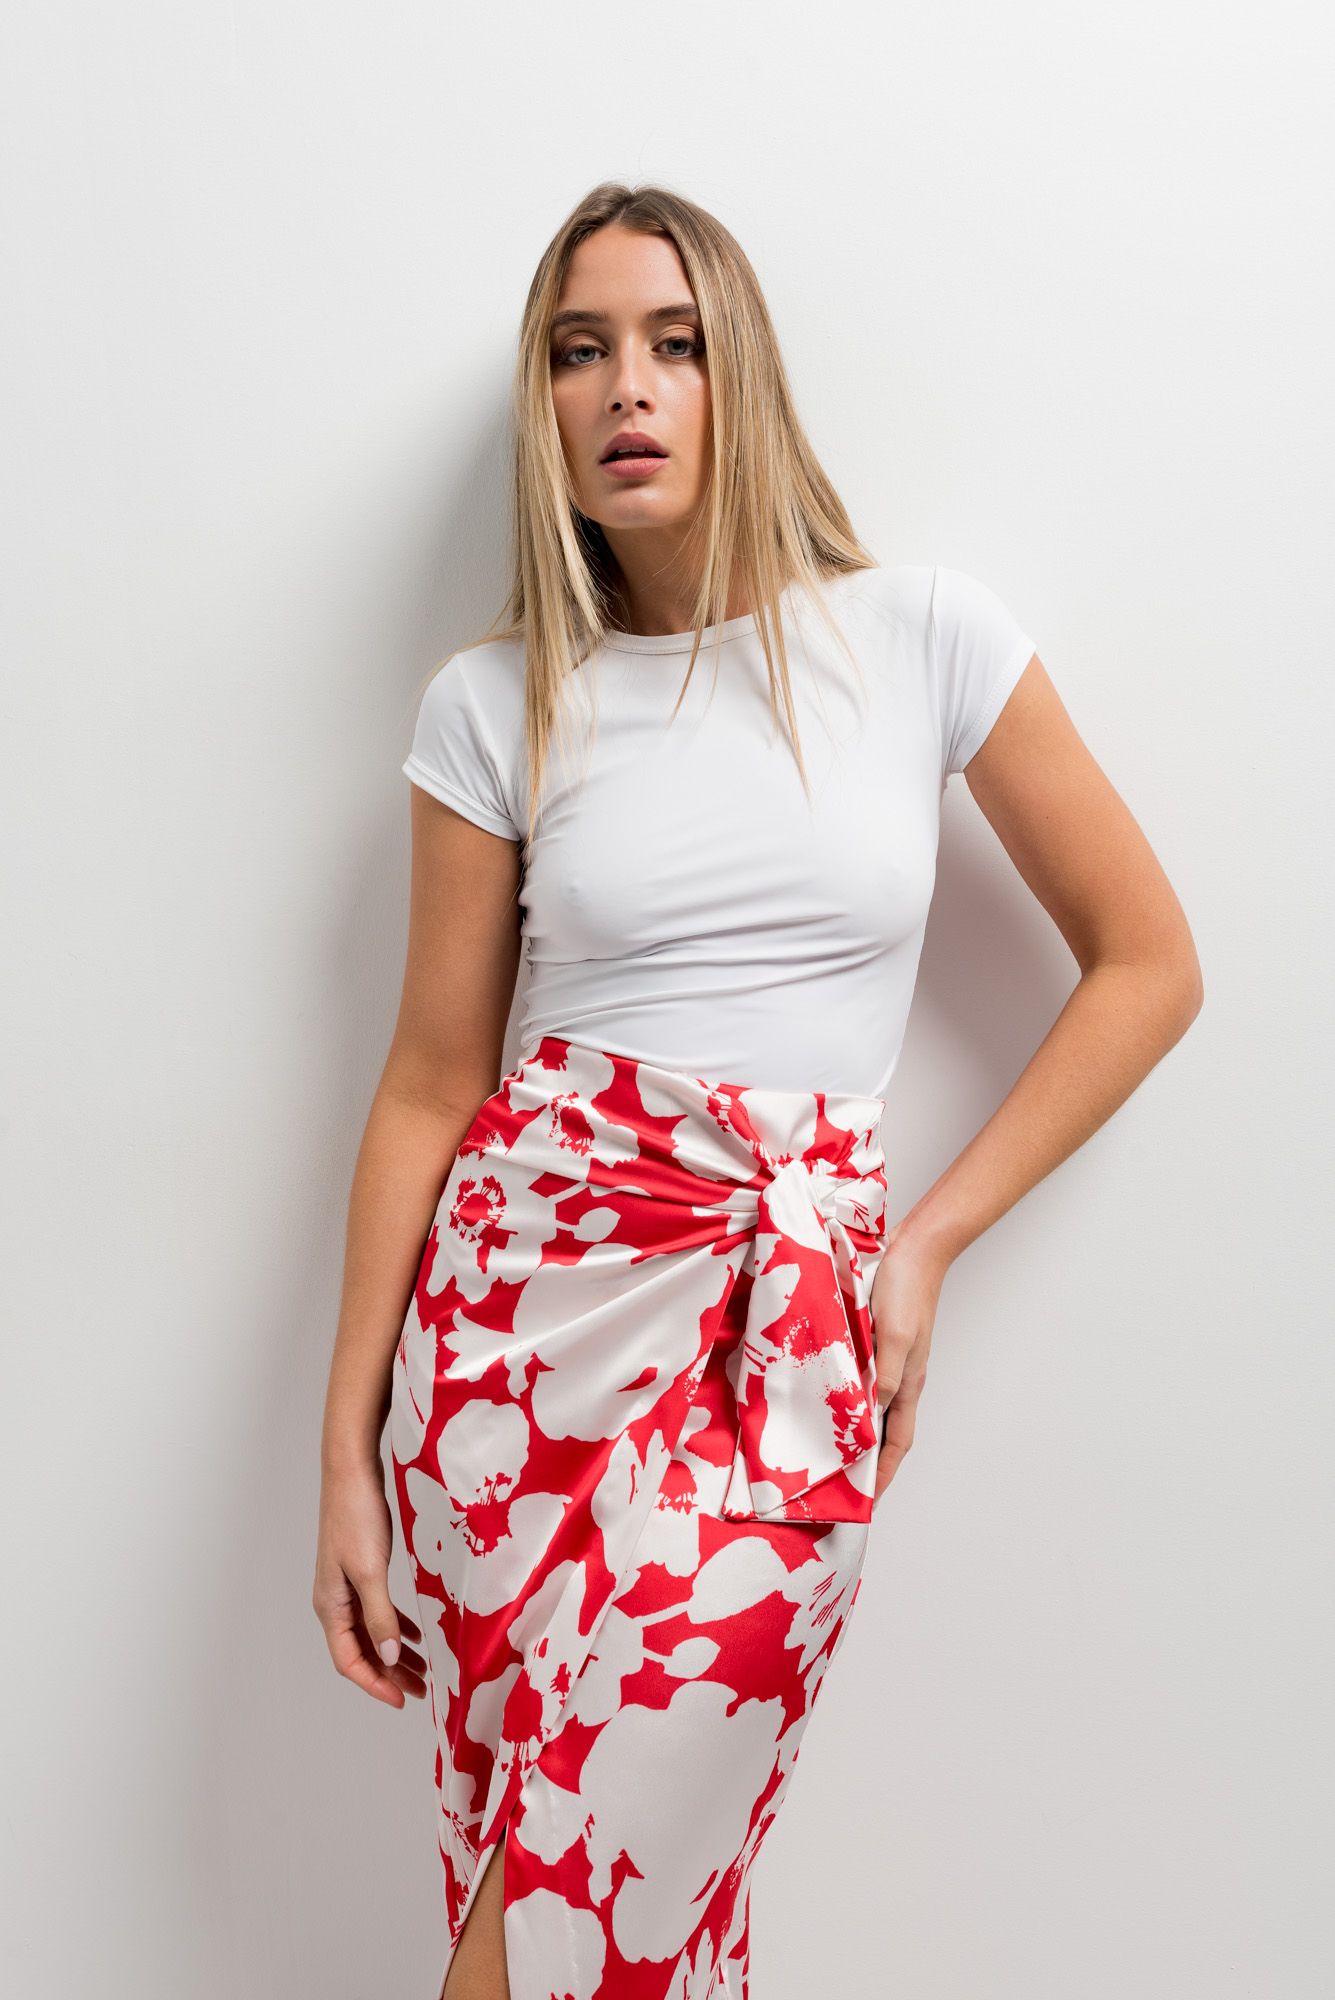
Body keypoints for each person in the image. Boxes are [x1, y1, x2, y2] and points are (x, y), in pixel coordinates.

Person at [313, 181, 1203, 2000]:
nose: (626, 387)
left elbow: (1149, 963)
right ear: (545, 405)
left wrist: (923, 1244)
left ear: (746, 380)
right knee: (552, 1896)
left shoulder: (925, 636)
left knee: (593, 1902)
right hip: (516, 1344)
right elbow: (426, 1084)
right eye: (579, 352)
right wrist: (342, 1452)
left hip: (791, 1336)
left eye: (675, 343)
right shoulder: (496, 703)